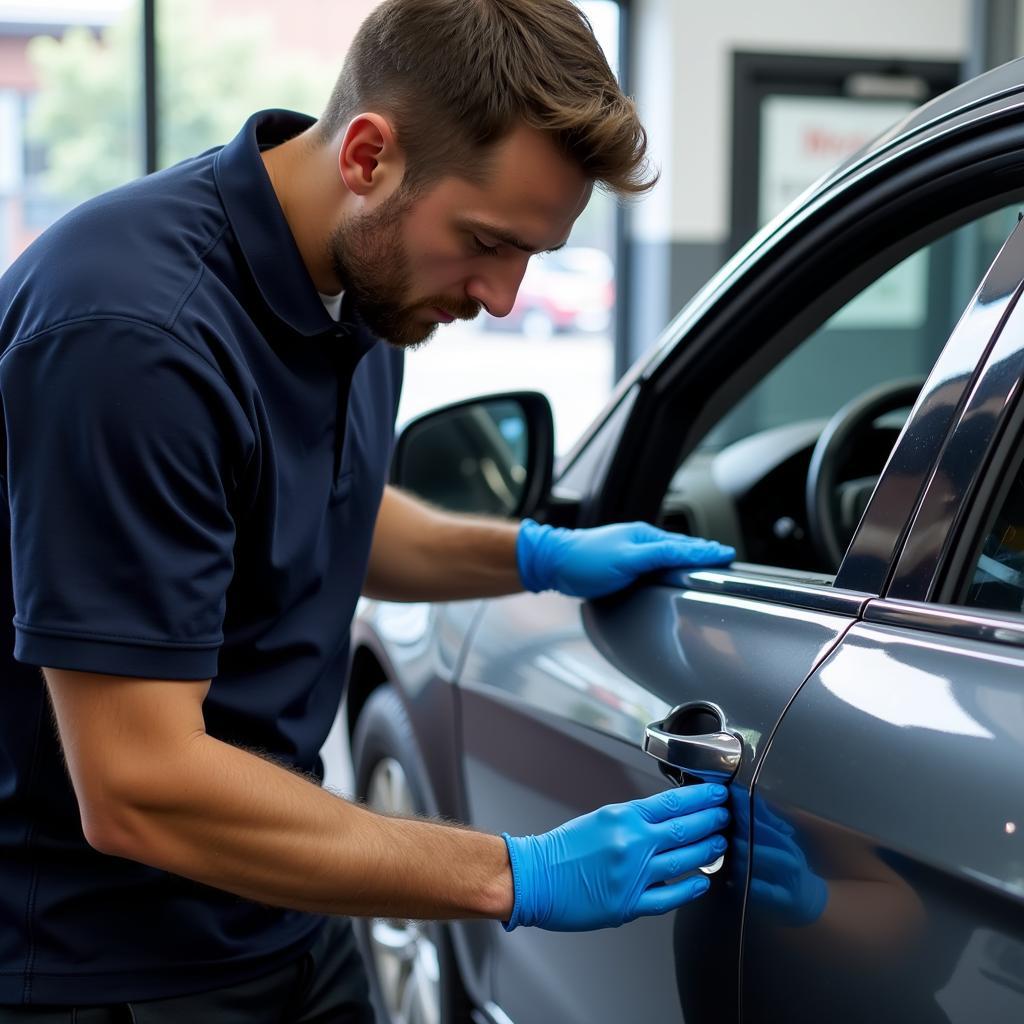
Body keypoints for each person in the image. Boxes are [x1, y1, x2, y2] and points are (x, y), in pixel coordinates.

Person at [0, 0, 735, 1019]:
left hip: (284, 915)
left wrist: (537, 554)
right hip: (107, 967)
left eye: (533, 254)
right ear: (365, 155)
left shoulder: (363, 279)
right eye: (485, 240)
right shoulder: (134, 337)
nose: (504, 296)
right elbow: (135, 783)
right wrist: (512, 873)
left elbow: (320, 512)